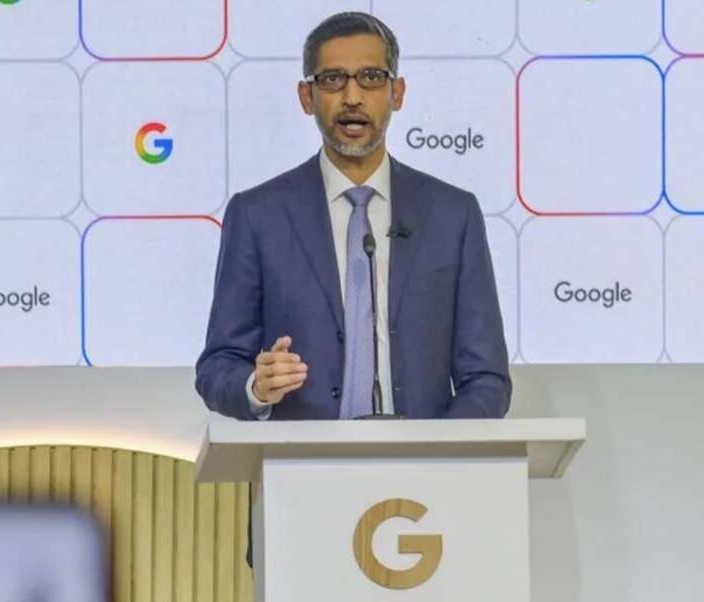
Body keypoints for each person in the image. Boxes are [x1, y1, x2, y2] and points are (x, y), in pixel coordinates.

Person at [195, 11, 511, 423]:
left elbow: (487, 379)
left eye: (371, 78)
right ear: (306, 97)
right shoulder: (258, 216)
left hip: (423, 463)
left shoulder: (453, 215)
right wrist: (256, 386)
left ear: (397, 93)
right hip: (302, 458)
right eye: (332, 79)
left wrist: (438, 448)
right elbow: (217, 367)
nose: (352, 97)